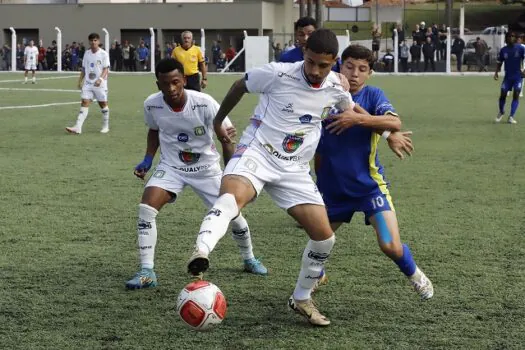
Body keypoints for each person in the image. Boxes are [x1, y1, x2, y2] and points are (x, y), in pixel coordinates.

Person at [186, 29, 354, 327]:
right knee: (230, 199)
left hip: (294, 170)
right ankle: (201, 251)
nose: (315, 71)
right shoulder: (278, 74)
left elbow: (351, 113)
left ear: (334, 63)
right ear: (304, 53)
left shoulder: (337, 89)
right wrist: (217, 120)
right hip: (258, 153)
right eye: (311, 62)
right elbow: (240, 85)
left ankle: (301, 298)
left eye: (323, 65)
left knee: (325, 238)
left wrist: (387, 129)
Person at [125, 58, 267, 289]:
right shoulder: (152, 104)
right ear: (158, 84)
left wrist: (232, 174)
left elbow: (227, 139)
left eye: (175, 82)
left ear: (184, 80)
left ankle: (249, 258)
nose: (171, 88)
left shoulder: (205, 103)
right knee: (146, 209)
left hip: (207, 170)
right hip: (172, 167)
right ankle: (146, 271)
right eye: (165, 84)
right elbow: (154, 131)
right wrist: (148, 160)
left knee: (234, 216)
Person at [314, 44, 434, 300]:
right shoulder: (323, 93)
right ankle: (314, 276)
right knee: (317, 244)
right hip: (332, 189)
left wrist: (358, 120)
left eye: (362, 69)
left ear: (369, 73)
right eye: (349, 66)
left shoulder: (373, 95)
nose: (355, 74)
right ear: (339, 66)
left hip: (368, 187)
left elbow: (394, 122)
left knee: (390, 245)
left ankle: (415, 275)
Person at [65, 33, 110, 134]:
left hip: (100, 84)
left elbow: (106, 69)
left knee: (103, 105)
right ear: (89, 42)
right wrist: (80, 81)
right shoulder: (87, 53)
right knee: (85, 102)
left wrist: (101, 80)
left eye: (95, 40)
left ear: (98, 41)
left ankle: (105, 126)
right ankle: (78, 127)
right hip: (88, 83)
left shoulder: (104, 54)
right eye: (91, 40)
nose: (93, 42)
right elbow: (84, 69)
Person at [494, 32, 525, 124]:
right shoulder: (503, 50)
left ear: (515, 38)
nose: (511, 38)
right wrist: (496, 72)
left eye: (513, 36)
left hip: (517, 77)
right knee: (503, 94)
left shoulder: (520, 48)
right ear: (506, 38)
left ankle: (511, 116)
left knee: (516, 94)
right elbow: (499, 62)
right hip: (508, 77)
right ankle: (501, 111)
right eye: (509, 36)